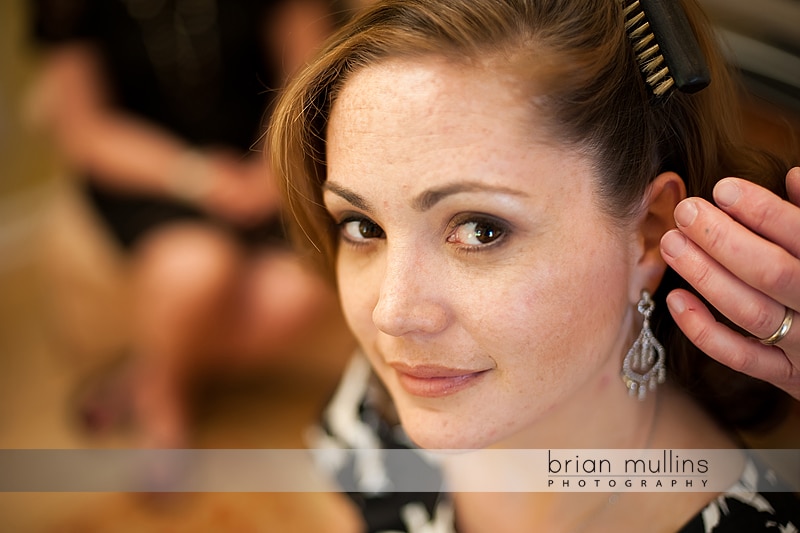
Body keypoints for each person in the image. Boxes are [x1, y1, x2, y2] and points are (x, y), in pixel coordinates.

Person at [266, 0, 800, 530]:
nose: (392, 314)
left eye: (481, 230)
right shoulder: (386, 407)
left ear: (649, 232)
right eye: (363, 227)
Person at [28, 0, 353, 448]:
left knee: (298, 291)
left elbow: (307, 80)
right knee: (195, 266)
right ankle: (165, 405)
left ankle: (145, 375)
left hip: (267, 160)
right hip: (149, 173)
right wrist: (196, 177)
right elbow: (86, 131)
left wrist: (271, 173)